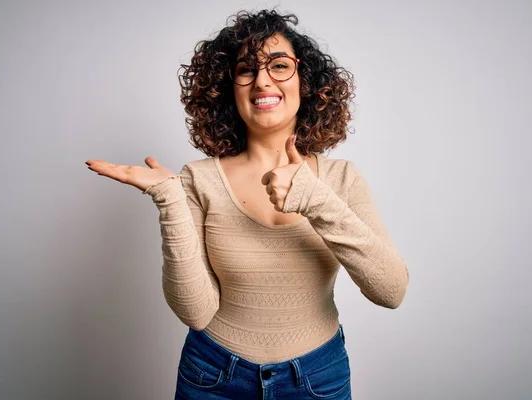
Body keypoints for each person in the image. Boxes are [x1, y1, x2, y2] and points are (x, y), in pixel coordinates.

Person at [86, 9, 409, 399]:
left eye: (278, 65)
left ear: (305, 81)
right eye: (245, 69)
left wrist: (315, 199)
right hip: (213, 376)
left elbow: (391, 291)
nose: (261, 80)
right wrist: (169, 199)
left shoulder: (342, 178)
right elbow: (196, 312)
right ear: (229, 89)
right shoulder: (198, 179)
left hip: (317, 378)